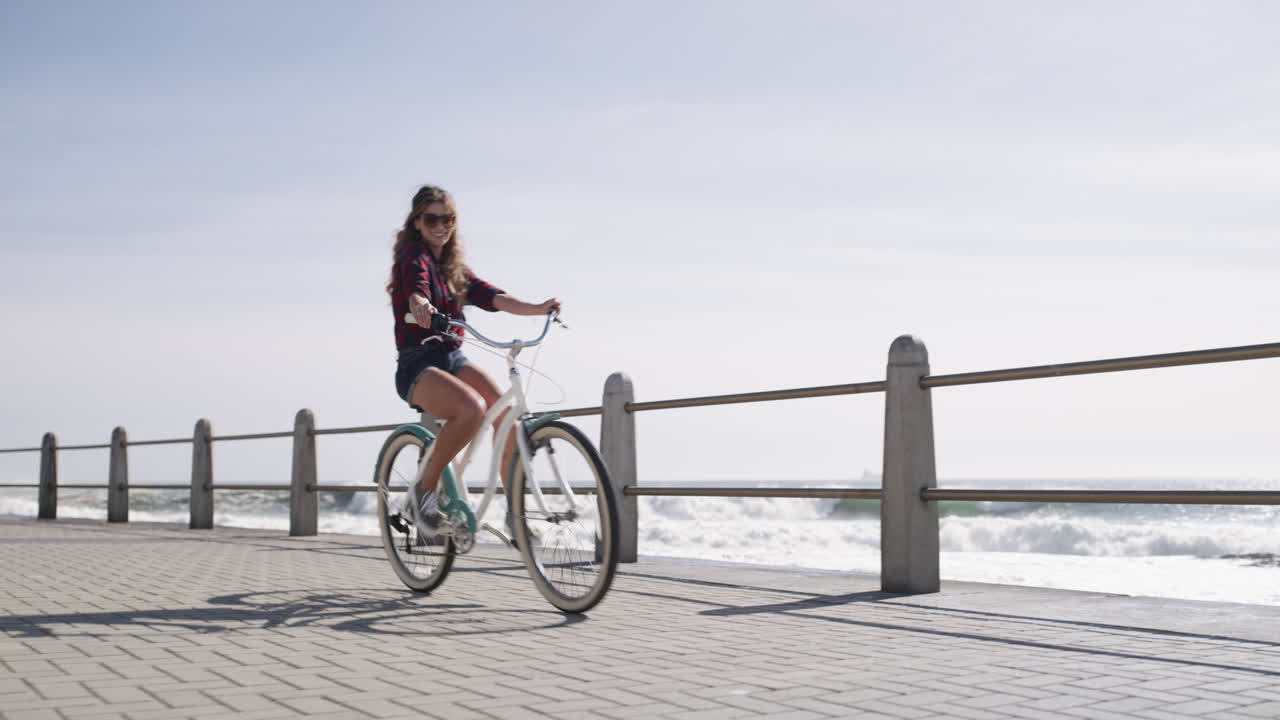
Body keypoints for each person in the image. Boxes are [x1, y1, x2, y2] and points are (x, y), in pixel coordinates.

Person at [388, 185, 560, 539]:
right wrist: (421, 306)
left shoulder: (453, 267)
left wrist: (538, 308)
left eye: (447, 219)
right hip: (418, 364)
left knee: (504, 415)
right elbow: (416, 286)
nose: (440, 226)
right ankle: (425, 489)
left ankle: (516, 515)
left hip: (452, 356)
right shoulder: (412, 257)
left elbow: (492, 296)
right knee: (471, 409)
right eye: (431, 219)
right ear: (417, 222)